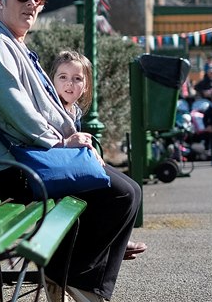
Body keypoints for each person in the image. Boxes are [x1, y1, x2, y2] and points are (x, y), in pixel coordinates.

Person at [0, 0, 142, 302]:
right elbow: (20, 115)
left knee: (130, 191)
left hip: (31, 155)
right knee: (120, 194)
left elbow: (45, 106)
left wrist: (72, 137)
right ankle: (75, 275)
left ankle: (80, 274)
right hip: (13, 166)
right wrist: (62, 143)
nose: (33, 3)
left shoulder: (14, 44)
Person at [49, 50, 147, 262]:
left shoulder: (72, 109)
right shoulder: (51, 108)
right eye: (63, 77)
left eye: (77, 79)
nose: (70, 84)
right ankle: (105, 246)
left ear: (85, 87)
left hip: (73, 167)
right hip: (59, 171)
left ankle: (115, 240)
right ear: (52, 80)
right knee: (121, 194)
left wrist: (89, 149)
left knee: (135, 189)